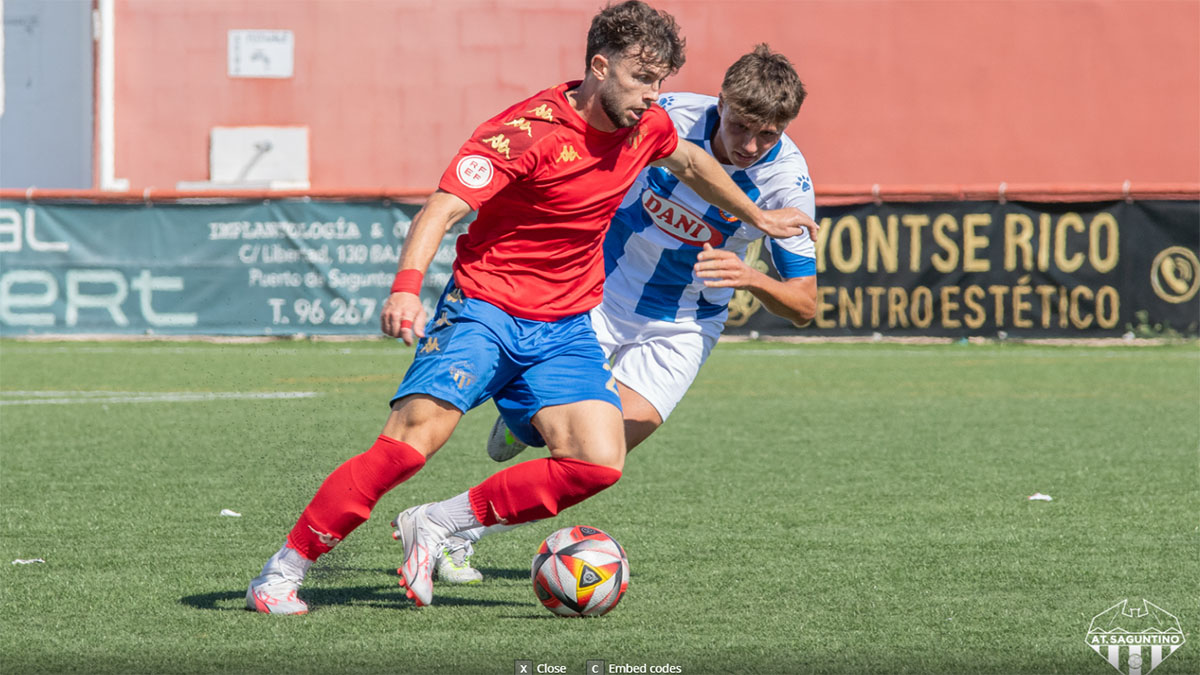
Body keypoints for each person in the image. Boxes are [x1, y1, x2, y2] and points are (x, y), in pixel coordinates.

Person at [246, 2, 816, 614]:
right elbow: (441, 208)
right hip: (486, 306)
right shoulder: (525, 131)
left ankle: (439, 525)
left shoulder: (648, 125)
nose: (655, 97)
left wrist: (757, 218)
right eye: (643, 80)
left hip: (568, 321)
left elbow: (692, 161)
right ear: (600, 67)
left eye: (661, 83)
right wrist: (407, 287)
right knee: (410, 445)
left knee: (598, 462)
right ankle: (282, 570)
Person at [427, 44, 817, 584]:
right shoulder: (667, 116)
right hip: (595, 296)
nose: (750, 146)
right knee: (553, 433)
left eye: (768, 135)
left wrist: (751, 276)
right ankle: (521, 420)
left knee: (599, 458)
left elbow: (804, 305)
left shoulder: (787, 180)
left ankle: (456, 532)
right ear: (721, 102)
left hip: (682, 326)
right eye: (741, 126)